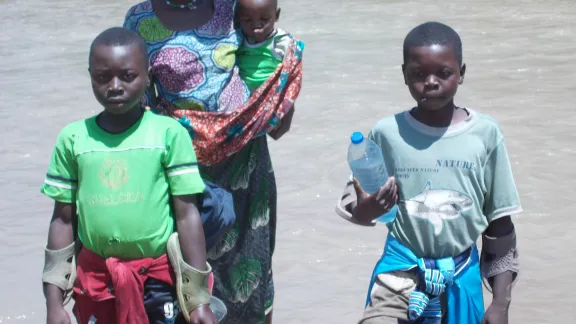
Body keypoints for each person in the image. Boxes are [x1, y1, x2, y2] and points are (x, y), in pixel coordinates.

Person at [123, 1, 304, 323]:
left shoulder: (235, 7)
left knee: (251, 265)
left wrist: (277, 100)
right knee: (182, 271)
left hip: (245, 165)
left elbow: (263, 57)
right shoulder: (140, 20)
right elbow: (138, 105)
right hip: (180, 169)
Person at [335, 22, 521, 323]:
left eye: (444, 73)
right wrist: (367, 209)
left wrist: (501, 302)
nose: (430, 82)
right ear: (405, 74)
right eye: (419, 74)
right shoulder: (387, 133)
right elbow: (357, 206)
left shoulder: (485, 134)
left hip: (460, 278)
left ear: (461, 73)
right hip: (398, 279)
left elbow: (500, 226)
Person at [41, 27, 217, 324]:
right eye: (102, 76)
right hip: (97, 283)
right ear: (90, 75)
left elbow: (187, 216)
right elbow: (63, 220)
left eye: (127, 75)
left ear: (148, 75)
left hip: (158, 283)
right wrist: (54, 303)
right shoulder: (73, 139)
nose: (114, 86)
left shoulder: (169, 134)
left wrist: (199, 300)